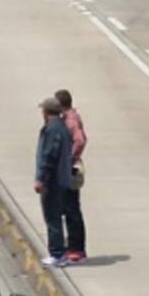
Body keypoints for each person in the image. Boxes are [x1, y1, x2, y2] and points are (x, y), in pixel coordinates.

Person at [34, 96, 73, 267]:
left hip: (53, 180)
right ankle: (58, 252)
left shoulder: (52, 130)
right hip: (61, 178)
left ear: (47, 112)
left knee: (52, 216)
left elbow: (49, 156)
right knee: (55, 215)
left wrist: (41, 179)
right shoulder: (61, 128)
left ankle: (57, 253)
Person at [55, 89, 87, 263]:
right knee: (67, 207)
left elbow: (80, 140)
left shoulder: (71, 120)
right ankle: (73, 245)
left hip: (70, 170)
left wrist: (69, 157)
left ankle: (76, 247)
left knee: (71, 208)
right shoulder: (67, 118)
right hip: (66, 168)